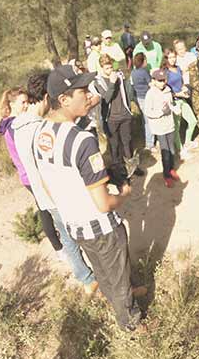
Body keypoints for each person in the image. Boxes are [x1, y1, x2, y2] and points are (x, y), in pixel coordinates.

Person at [33, 65, 143, 330]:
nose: (88, 94)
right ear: (64, 99)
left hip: (75, 224)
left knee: (104, 272)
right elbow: (103, 203)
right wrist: (125, 195)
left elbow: (47, 185)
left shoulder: (40, 134)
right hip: (100, 226)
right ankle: (132, 323)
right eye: (81, 90)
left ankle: (120, 298)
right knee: (116, 273)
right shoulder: (82, 140)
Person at [12, 72, 98, 292]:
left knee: (68, 239)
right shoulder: (37, 128)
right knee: (82, 235)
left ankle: (85, 278)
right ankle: (94, 277)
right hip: (56, 193)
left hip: (43, 195)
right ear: (46, 96)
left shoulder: (19, 125)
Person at [96, 54, 143, 180]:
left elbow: (127, 92)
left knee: (127, 142)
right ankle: (117, 169)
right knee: (114, 145)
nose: (110, 71)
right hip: (110, 119)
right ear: (101, 68)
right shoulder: (98, 81)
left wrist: (130, 110)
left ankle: (132, 166)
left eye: (111, 67)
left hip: (124, 115)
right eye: (107, 68)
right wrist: (111, 82)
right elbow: (106, 98)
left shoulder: (120, 76)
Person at [144, 68, 182, 187]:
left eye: (164, 80)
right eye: (159, 80)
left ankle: (171, 169)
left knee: (171, 149)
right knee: (165, 151)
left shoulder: (168, 90)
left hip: (169, 124)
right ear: (154, 81)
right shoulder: (150, 94)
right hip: (159, 127)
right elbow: (147, 111)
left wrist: (175, 109)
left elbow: (170, 104)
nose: (162, 83)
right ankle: (166, 175)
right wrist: (160, 112)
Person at [163, 48, 198, 154]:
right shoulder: (165, 72)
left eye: (174, 57)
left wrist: (184, 88)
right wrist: (177, 94)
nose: (172, 59)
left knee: (193, 121)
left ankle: (187, 142)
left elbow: (181, 82)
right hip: (174, 101)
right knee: (176, 127)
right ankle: (180, 149)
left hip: (182, 99)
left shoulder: (178, 68)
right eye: (170, 57)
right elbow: (165, 90)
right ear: (166, 59)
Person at [0, 87, 30, 188]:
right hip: (31, 176)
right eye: (23, 102)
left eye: (27, 102)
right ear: (12, 105)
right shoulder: (15, 126)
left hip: (26, 176)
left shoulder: (8, 125)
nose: (27, 105)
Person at [130, 52, 155, 152]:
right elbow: (150, 84)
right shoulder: (144, 72)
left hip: (139, 98)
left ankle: (149, 140)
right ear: (143, 61)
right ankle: (149, 143)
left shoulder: (133, 72)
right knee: (149, 121)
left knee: (145, 120)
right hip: (147, 97)